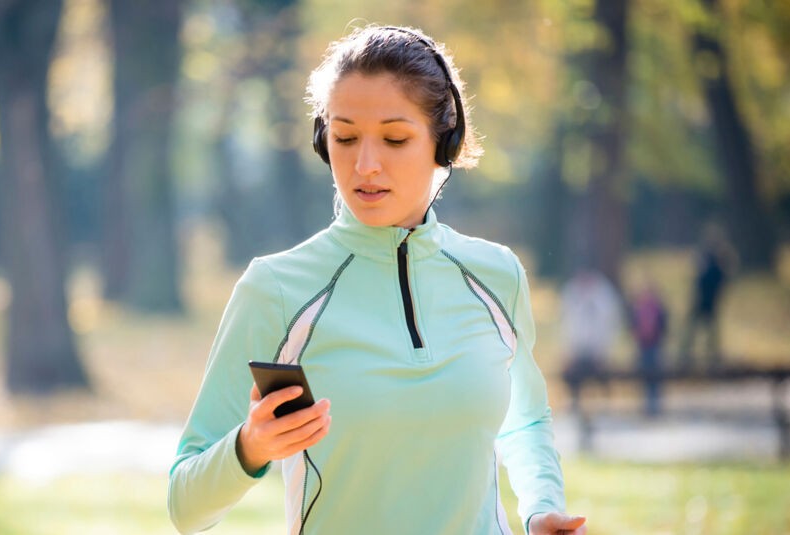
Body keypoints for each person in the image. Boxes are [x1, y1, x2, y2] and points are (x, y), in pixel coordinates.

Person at [168, 25, 586, 535]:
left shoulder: (497, 275)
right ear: (323, 140)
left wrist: (541, 506)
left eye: (394, 139)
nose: (365, 165)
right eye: (345, 138)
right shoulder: (275, 289)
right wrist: (248, 448)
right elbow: (185, 506)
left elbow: (525, 420)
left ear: (445, 143)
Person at [559, 266, 622, 414]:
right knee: (572, 374)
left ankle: (605, 403)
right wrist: (568, 351)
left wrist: (604, 351)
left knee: (602, 373)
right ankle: (575, 402)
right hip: (578, 349)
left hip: (598, 349)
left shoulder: (603, 293)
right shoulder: (571, 292)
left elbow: (609, 324)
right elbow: (567, 324)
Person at [678, 223, 736, 370]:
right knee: (699, 330)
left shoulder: (714, 264)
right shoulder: (713, 263)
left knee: (704, 331)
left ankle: (705, 355)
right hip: (704, 301)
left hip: (707, 301)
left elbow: (703, 277)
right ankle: (691, 354)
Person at [629, 278, 668, 417]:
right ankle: (647, 404)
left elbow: (663, 325)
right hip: (643, 346)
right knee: (644, 376)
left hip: (654, 345)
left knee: (655, 376)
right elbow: (633, 325)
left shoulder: (657, 308)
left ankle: (655, 404)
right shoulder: (639, 308)